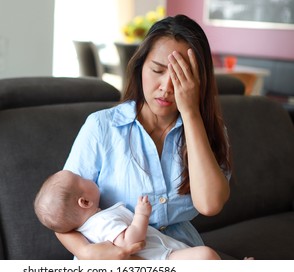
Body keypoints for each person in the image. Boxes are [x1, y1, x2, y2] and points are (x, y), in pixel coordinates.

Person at [57, 14, 232, 259]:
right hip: (112, 255)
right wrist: (86, 252)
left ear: (199, 82)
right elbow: (60, 208)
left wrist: (191, 113)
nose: (166, 87)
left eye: (182, 78)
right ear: (141, 66)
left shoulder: (207, 131)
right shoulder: (102, 127)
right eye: (158, 70)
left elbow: (210, 204)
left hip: (177, 253)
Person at [34, 170, 220, 260]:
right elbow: (128, 244)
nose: (87, 178)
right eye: (82, 180)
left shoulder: (90, 227)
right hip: (159, 260)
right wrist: (141, 216)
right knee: (206, 256)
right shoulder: (102, 222)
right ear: (85, 202)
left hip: (163, 256)